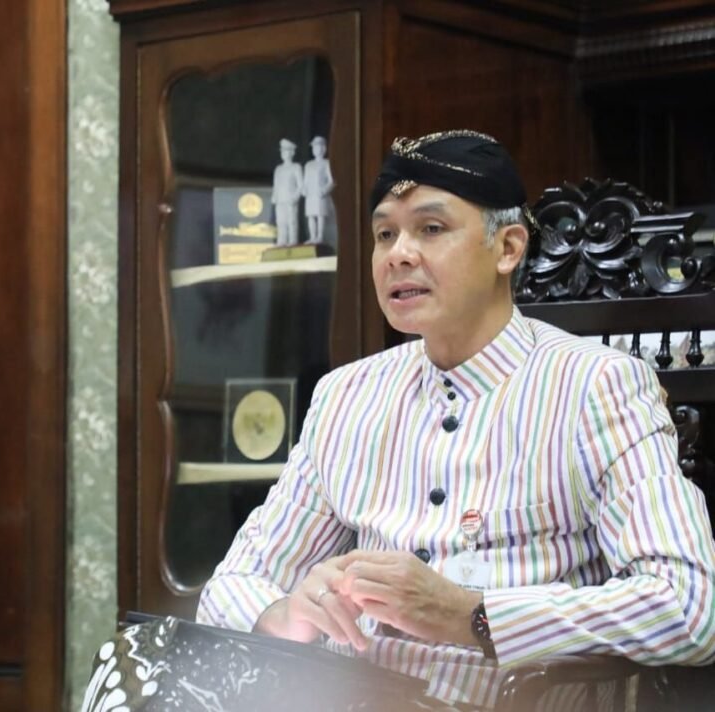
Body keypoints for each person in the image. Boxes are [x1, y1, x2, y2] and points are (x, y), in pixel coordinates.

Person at [81, 130, 715, 712]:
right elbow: (233, 584)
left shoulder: (596, 388)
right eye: (384, 235)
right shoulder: (347, 397)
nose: (399, 255)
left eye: (431, 229)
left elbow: (688, 607)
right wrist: (286, 611)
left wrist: (471, 616)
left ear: (508, 248)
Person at [303, 135, 335, 244]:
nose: (316, 149)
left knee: (320, 216)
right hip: (310, 194)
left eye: (318, 146)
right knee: (311, 216)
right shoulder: (308, 165)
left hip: (320, 195)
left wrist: (324, 190)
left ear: (323, 148)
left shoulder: (326, 163)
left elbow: (332, 181)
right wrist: (304, 189)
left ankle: (320, 236)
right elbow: (305, 181)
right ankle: (313, 237)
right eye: (314, 147)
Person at [272, 138, 304, 246]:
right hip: (280, 199)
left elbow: (301, 185)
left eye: (286, 150)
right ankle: (282, 240)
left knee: (292, 221)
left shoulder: (296, 167)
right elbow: (276, 185)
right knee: (281, 221)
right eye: (282, 151)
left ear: (292, 152)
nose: (283, 153)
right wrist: (274, 196)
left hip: (290, 198)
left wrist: (295, 197)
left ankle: (293, 240)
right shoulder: (278, 169)